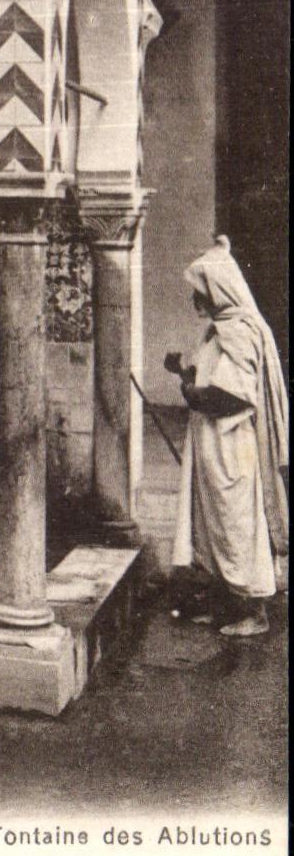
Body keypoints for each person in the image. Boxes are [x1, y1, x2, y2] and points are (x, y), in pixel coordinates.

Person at [165, 236, 289, 636]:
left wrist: (190, 393)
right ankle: (225, 606)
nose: (194, 300)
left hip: (232, 447)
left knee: (238, 526)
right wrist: (184, 373)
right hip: (211, 445)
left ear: (217, 291)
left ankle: (255, 612)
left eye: (199, 292)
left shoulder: (239, 332)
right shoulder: (218, 331)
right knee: (214, 524)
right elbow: (211, 379)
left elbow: (231, 397)